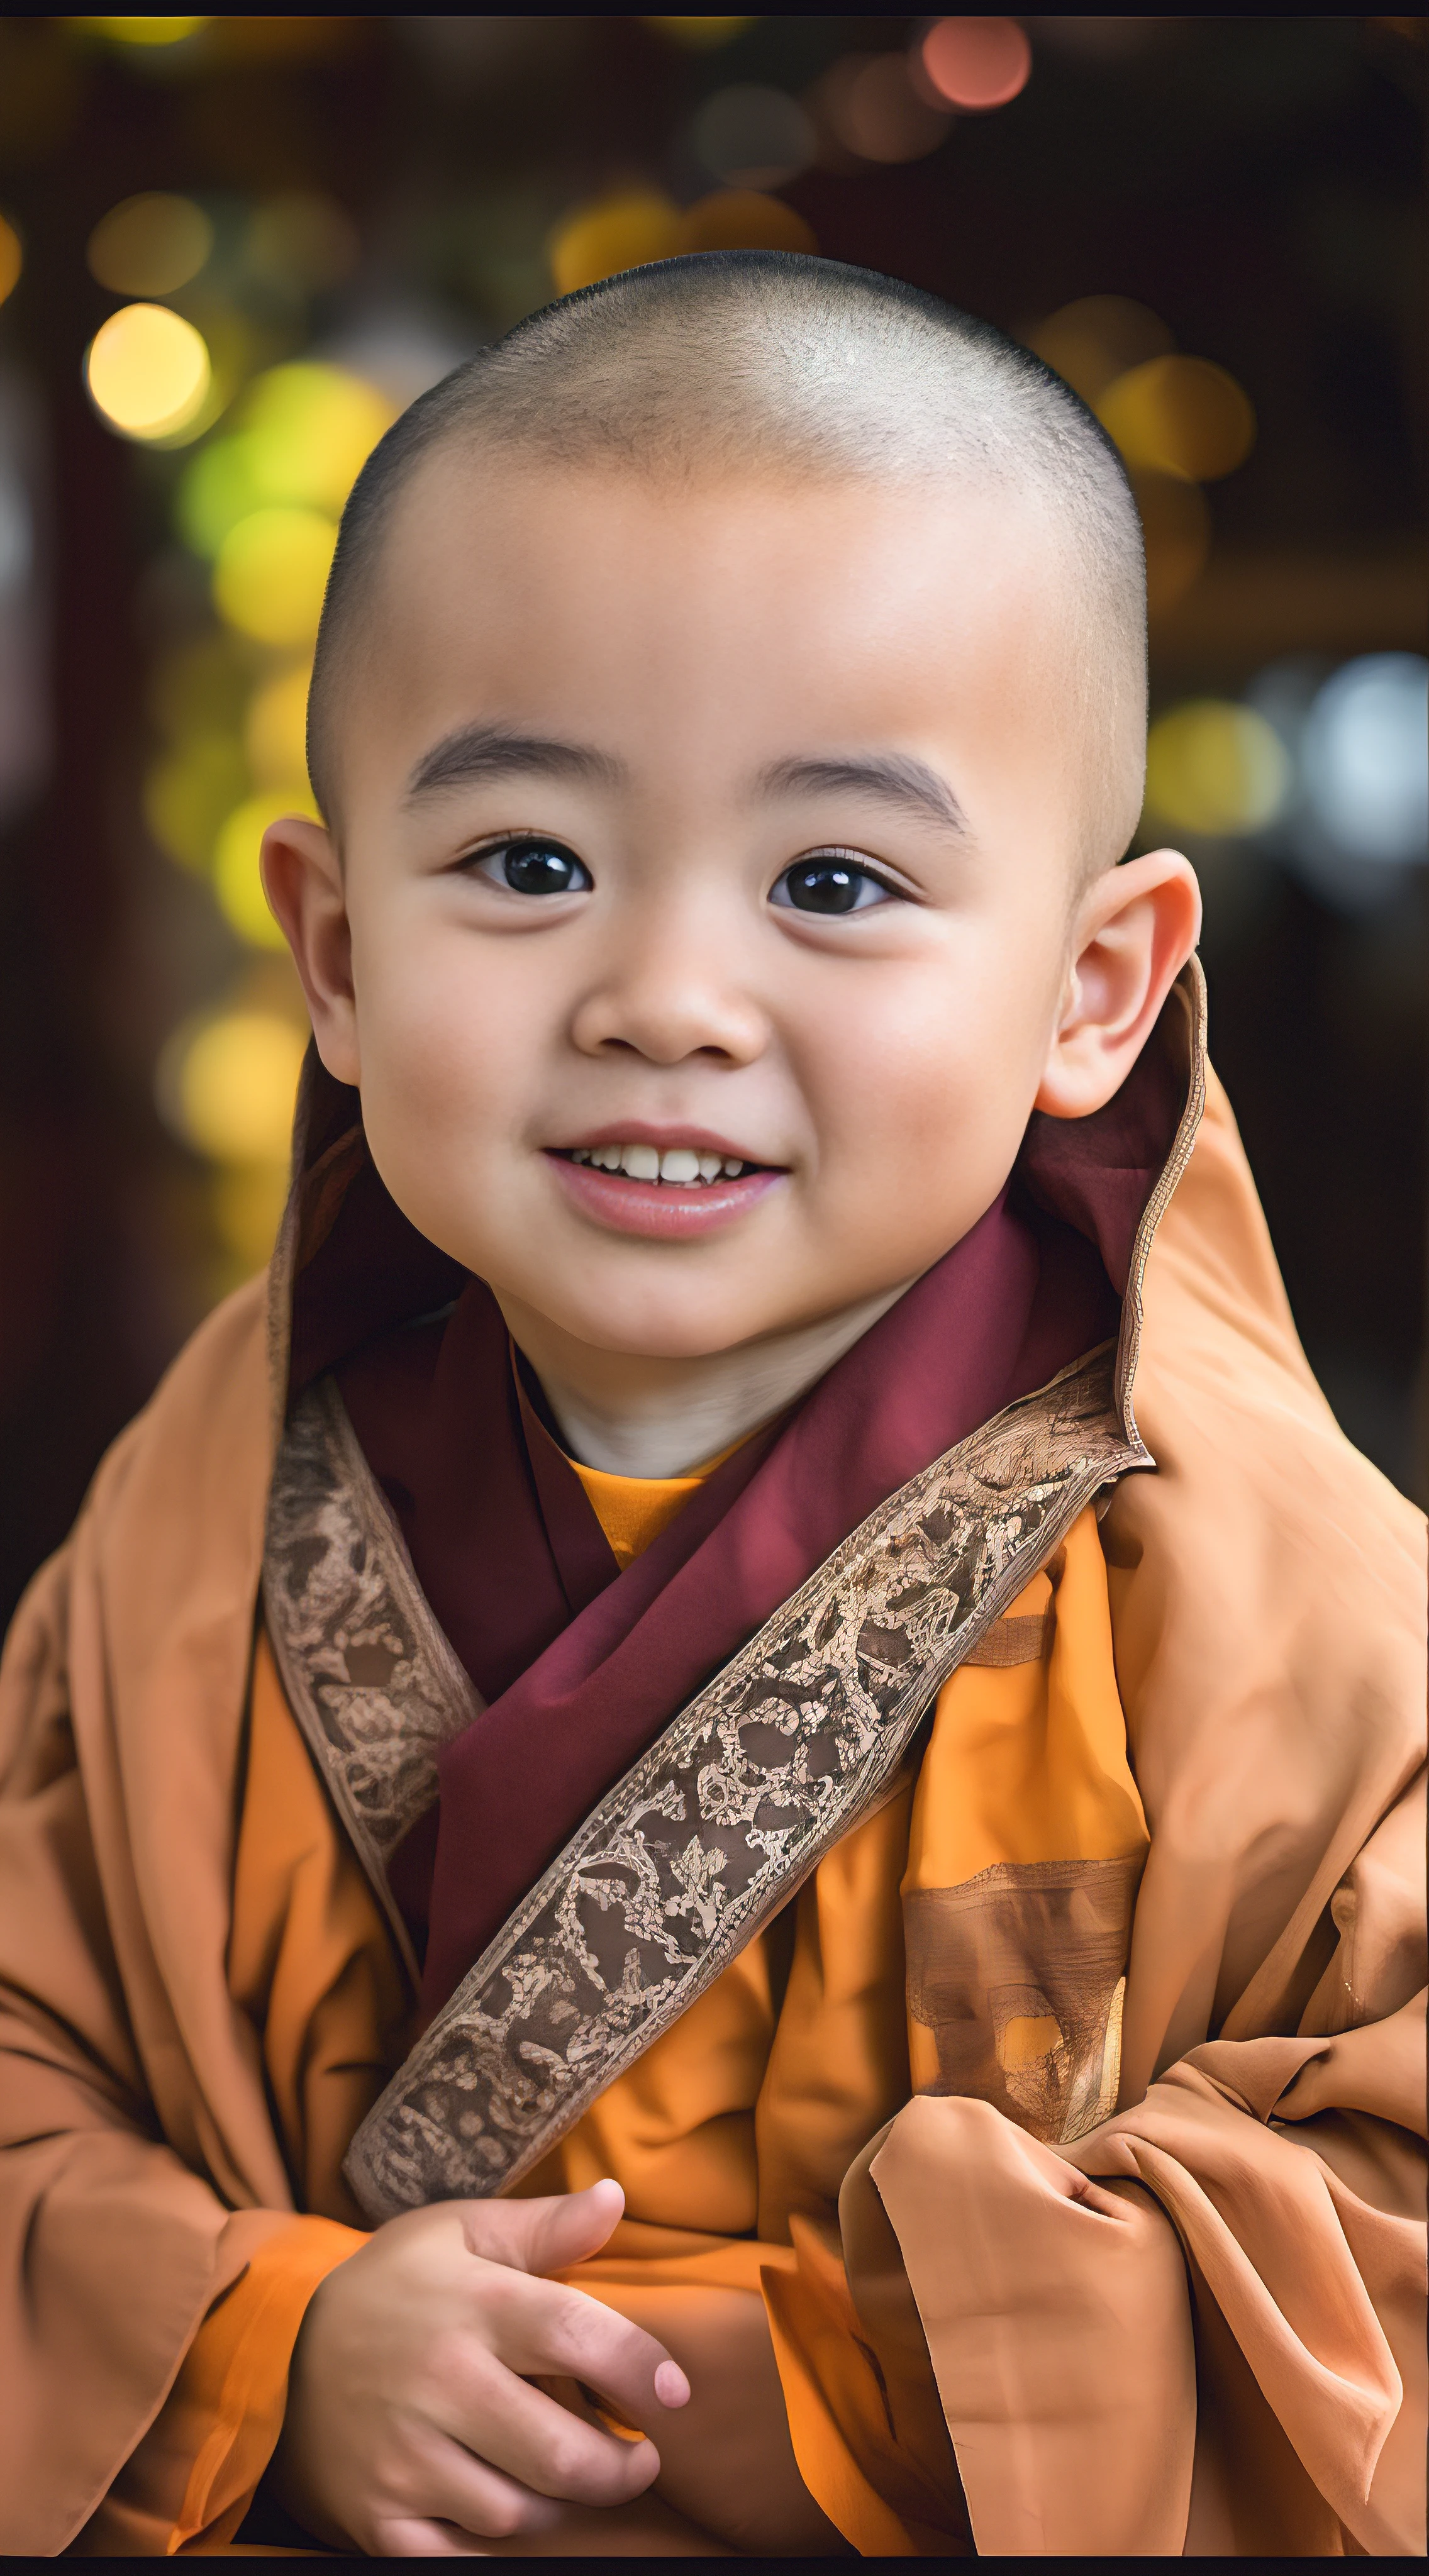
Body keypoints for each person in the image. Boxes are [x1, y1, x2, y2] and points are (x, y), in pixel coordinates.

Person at [1, 253, 1422, 2560]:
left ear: (1093, 992)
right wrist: (270, 2345)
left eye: (836, 880)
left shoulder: (1258, 1589)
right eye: (532, 865)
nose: (667, 996)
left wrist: (852, 2397)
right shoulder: (198, 1522)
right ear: (339, 958)